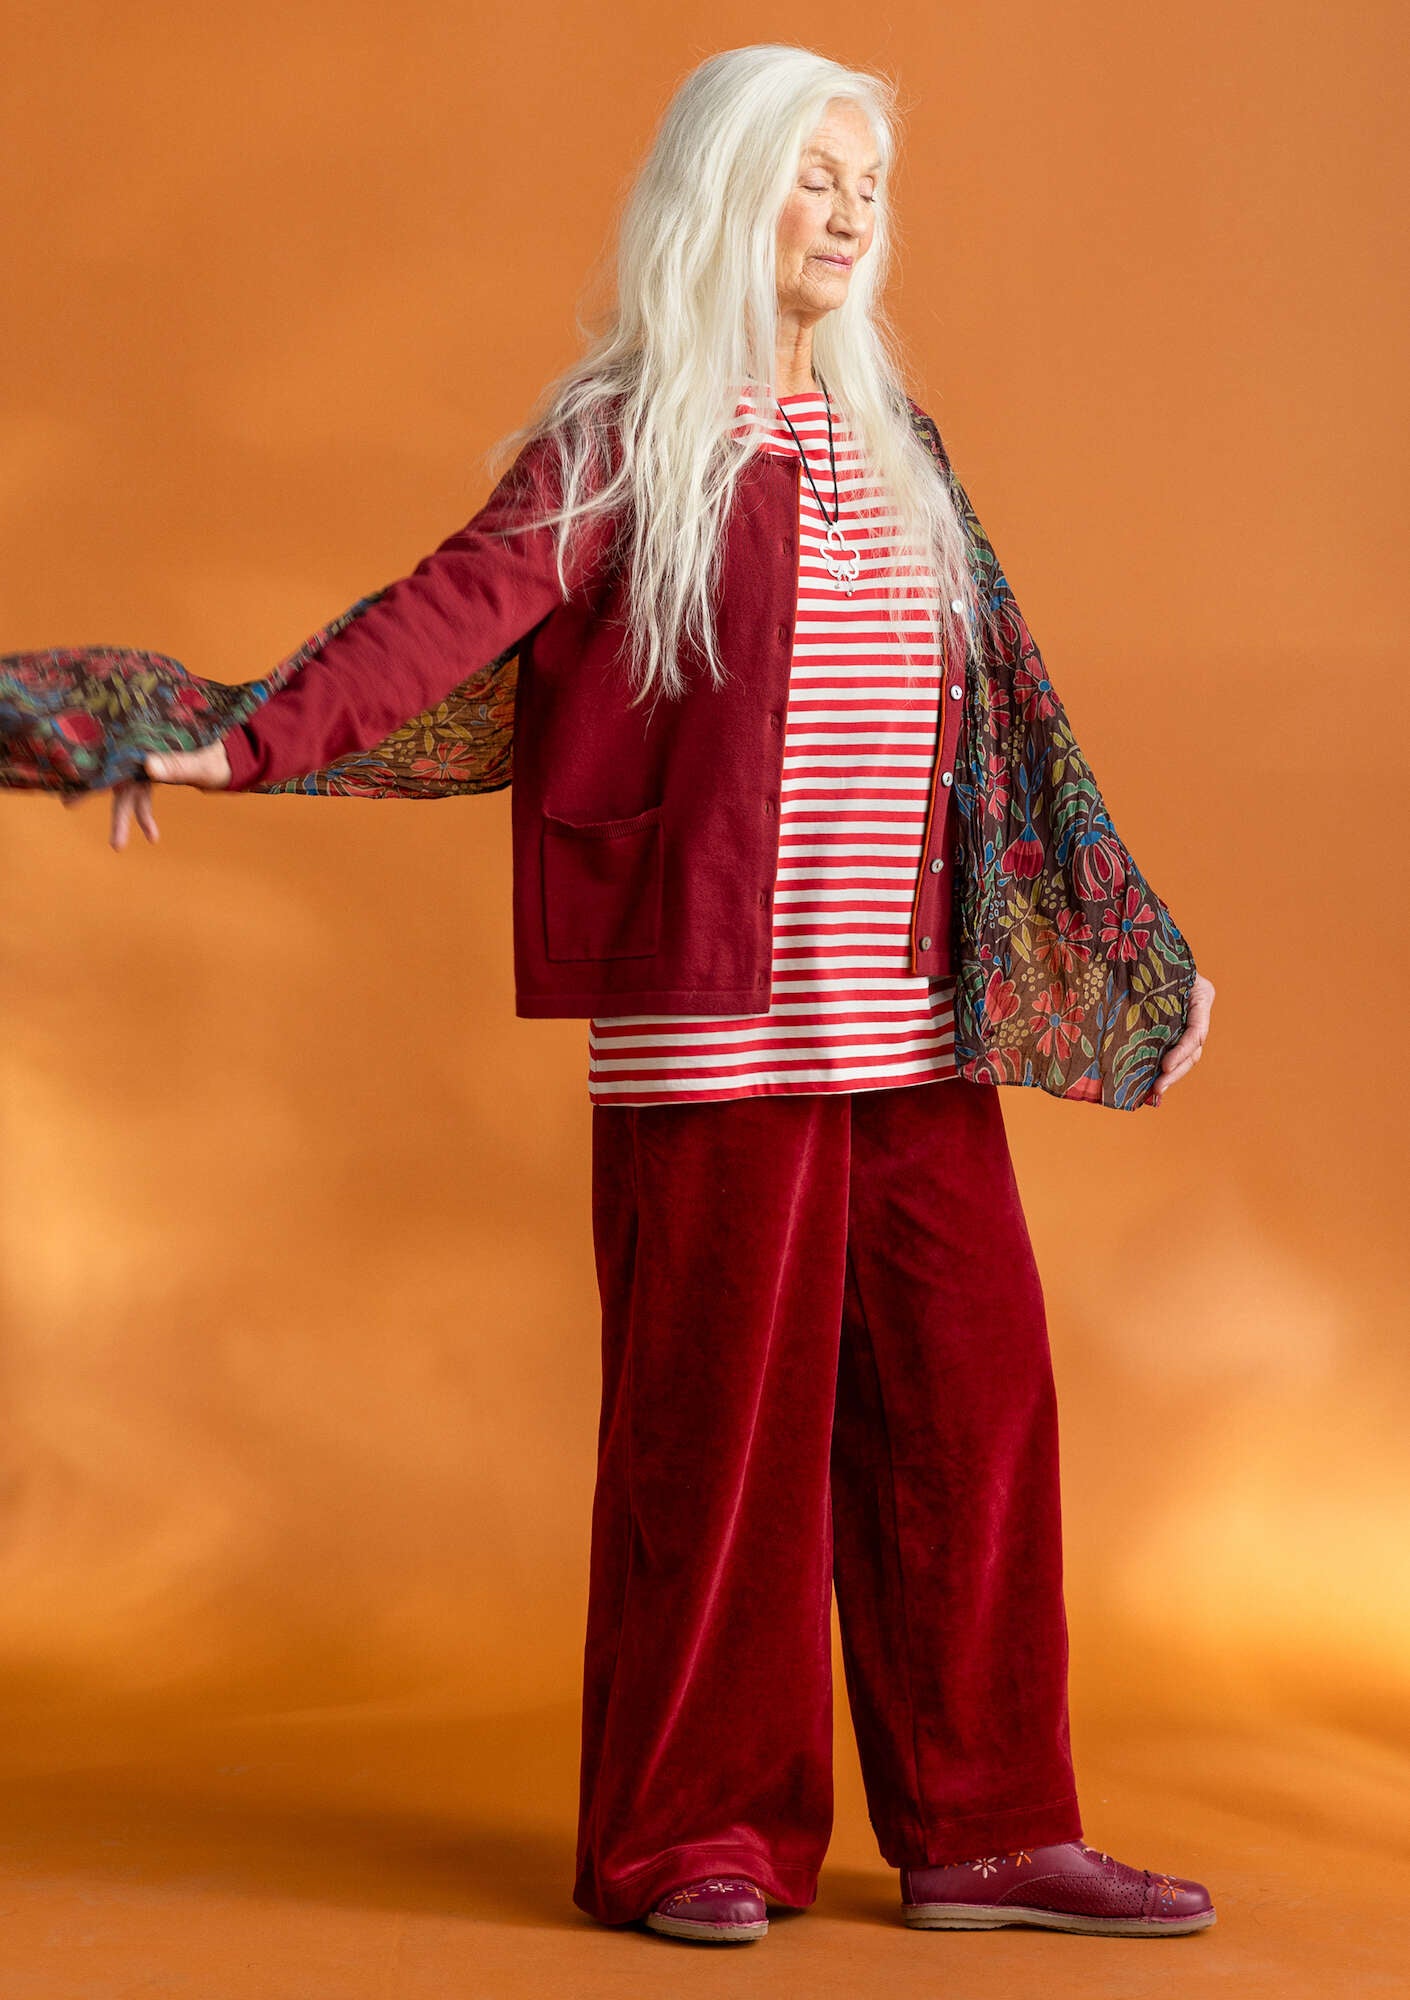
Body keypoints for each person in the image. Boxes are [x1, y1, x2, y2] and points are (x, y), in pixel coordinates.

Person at [64, 44, 1216, 1945]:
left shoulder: (897, 445)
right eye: (812, 175)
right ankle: (692, 1836)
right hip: (715, 1020)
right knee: (717, 1443)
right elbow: (442, 616)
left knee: (971, 1418)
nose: (848, 214)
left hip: (914, 1027)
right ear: (724, 190)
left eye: (867, 185)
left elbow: (1014, 733)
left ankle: (991, 1832)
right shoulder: (624, 439)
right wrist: (239, 739)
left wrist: (1123, 960)